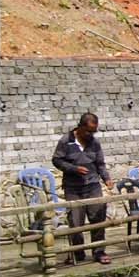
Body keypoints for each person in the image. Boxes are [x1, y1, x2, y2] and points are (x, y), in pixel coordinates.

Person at [52, 111, 112, 265]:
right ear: (80, 127)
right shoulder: (66, 141)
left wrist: (106, 178)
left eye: (94, 131)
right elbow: (57, 160)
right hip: (73, 188)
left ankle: (99, 251)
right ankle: (78, 253)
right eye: (89, 131)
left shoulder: (95, 143)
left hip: (92, 185)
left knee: (98, 217)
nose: (91, 134)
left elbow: (100, 164)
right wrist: (73, 169)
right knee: (75, 221)